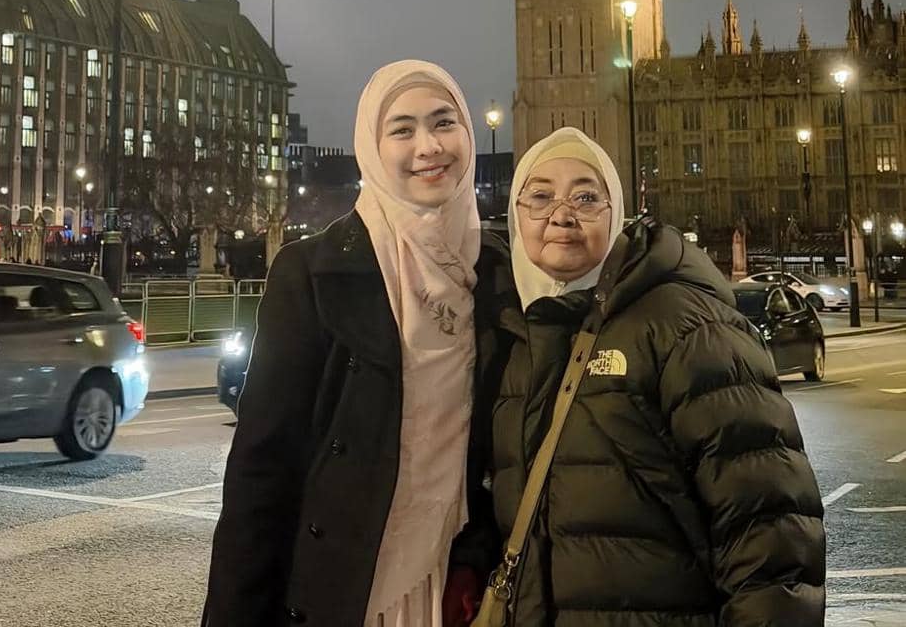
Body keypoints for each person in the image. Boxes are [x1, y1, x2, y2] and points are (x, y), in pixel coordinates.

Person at [203, 60, 508, 627]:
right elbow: (262, 470)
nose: (428, 146)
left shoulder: (498, 274)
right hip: (350, 585)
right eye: (402, 129)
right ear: (372, 146)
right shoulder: (311, 272)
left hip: (461, 588)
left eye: (445, 123)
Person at [490, 127, 826, 625]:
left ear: (617, 210)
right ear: (517, 216)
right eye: (539, 196)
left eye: (586, 196)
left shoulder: (688, 323)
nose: (561, 215)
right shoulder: (519, 333)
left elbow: (770, 531)